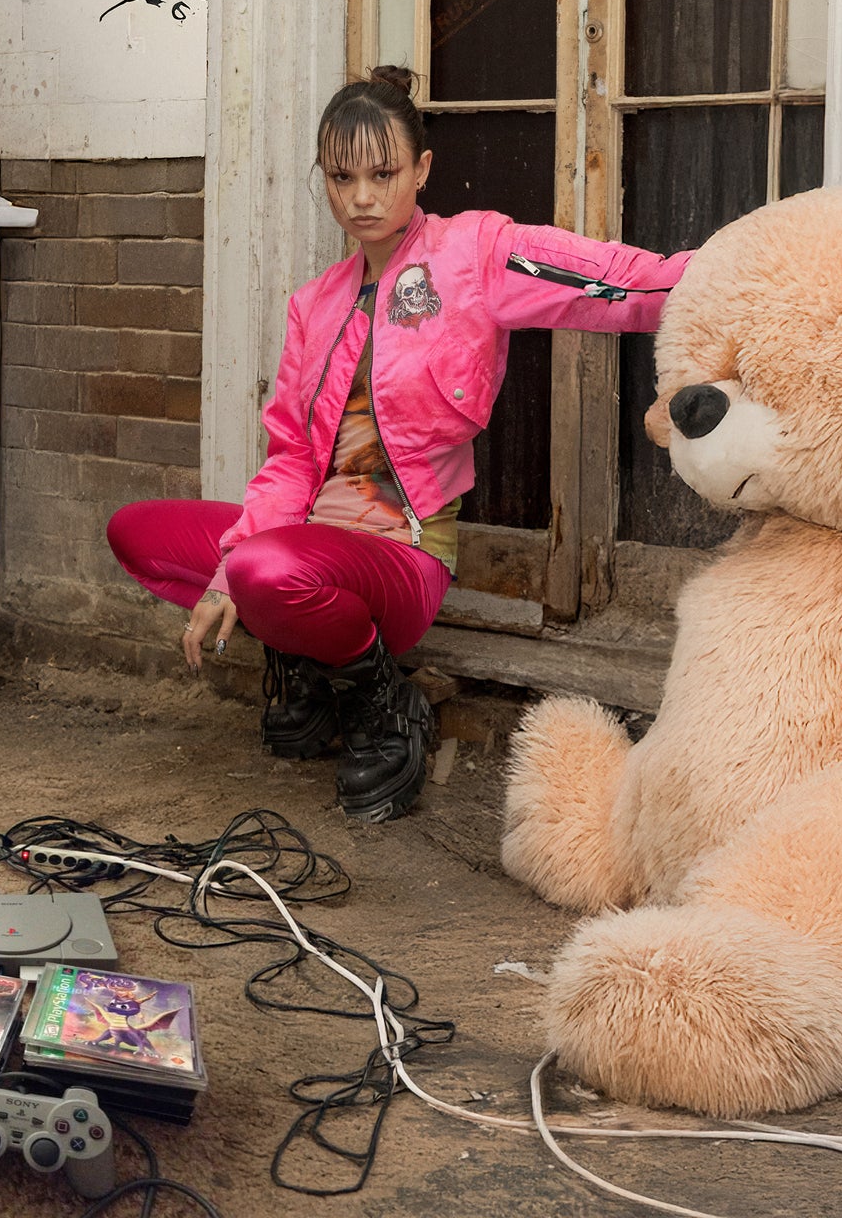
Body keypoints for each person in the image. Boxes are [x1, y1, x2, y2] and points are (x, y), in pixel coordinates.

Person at [107, 66, 691, 823]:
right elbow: (290, 458)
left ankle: (382, 699)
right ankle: (308, 655)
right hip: (306, 542)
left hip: (402, 557)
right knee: (139, 533)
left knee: (259, 567)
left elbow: (615, 283)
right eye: (342, 177)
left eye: (383, 174)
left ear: (421, 170)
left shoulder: (472, 254)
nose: (362, 197)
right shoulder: (314, 304)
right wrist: (224, 575)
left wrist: (742, 280)